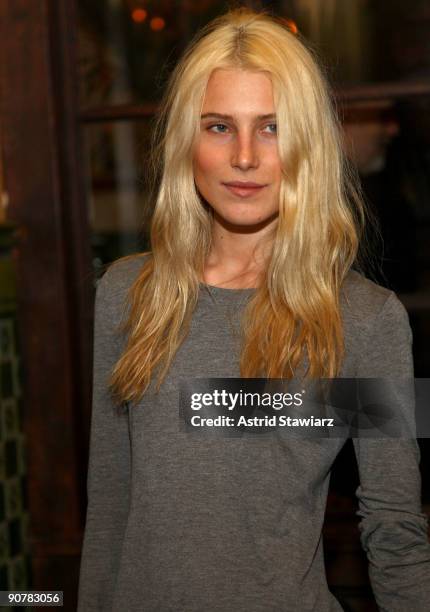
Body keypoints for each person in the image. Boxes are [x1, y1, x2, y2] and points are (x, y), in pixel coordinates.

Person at [77, 8, 430, 611]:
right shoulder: (128, 294)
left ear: (310, 145)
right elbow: (109, 507)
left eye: (271, 127)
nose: (244, 155)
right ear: (187, 141)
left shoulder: (367, 319)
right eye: (219, 127)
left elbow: (394, 528)